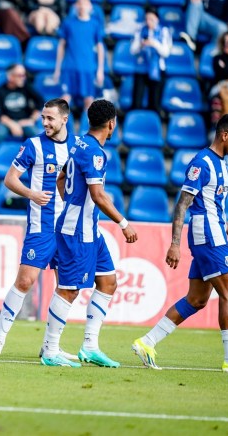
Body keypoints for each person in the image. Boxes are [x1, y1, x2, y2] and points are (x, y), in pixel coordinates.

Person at [40, 99, 138, 367]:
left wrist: (71, 203)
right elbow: (98, 195)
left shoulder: (78, 144)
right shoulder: (95, 152)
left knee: (108, 282)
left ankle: (90, 346)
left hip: (89, 230)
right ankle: (50, 351)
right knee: (69, 290)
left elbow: (61, 178)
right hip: (76, 232)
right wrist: (124, 223)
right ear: (111, 124)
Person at [132, 114, 228, 373]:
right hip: (206, 235)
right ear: (225, 135)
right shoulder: (202, 163)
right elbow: (182, 204)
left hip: (215, 232)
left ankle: (147, 342)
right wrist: (174, 244)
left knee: (197, 299)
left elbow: (215, 209)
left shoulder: (224, 166)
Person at [0, 98, 78, 360]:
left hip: (68, 228)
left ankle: (51, 346)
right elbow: (10, 179)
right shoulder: (33, 145)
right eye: (43, 118)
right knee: (25, 281)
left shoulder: (77, 147)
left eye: (50, 118)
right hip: (41, 226)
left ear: (64, 119)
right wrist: (31, 194)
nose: (45, 123)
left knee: (68, 288)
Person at [54, 0, 105, 113]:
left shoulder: (95, 24)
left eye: (85, 3)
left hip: (88, 68)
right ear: (75, 5)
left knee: (89, 101)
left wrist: (100, 70)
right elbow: (61, 46)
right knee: (64, 101)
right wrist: (57, 69)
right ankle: (61, 125)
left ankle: (86, 125)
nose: (82, 6)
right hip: (70, 67)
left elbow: (100, 47)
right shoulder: (68, 23)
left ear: (90, 6)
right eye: (80, 3)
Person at [130, 7, 172, 112]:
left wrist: (154, 43)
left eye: (151, 19)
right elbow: (133, 50)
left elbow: (166, 52)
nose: (149, 22)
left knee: (154, 104)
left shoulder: (164, 31)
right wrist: (141, 45)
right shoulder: (140, 30)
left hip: (157, 69)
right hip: (141, 68)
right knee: (136, 103)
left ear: (157, 19)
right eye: (147, 19)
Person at [0, 64, 45, 146]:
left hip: (24, 121)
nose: (23, 78)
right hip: (6, 123)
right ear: (10, 77)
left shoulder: (27, 87)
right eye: (20, 75)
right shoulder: (0, 91)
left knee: (35, 134)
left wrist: (32, 119)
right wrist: (13, 125)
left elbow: (41, 102)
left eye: (24, 75)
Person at [210, 32, 228, 129]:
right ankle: (217, 128)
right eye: (224, 42)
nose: (227, 45)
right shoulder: (217, 58)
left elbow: (226, 71)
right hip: (219, 86)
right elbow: (222, 72)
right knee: (217, 96)